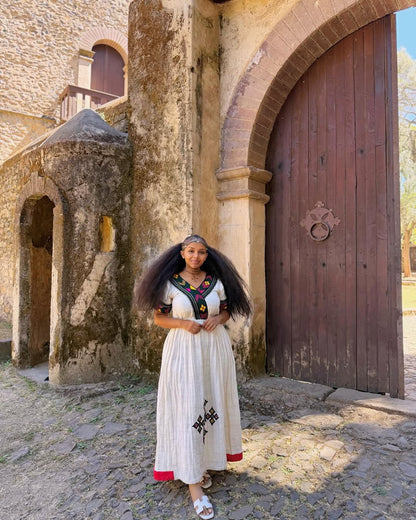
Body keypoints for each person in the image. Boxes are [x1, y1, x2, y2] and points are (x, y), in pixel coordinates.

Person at [135, 234, 251, 519]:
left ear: (206, 255)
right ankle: (192, 483)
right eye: (191, 251)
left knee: (211, 402)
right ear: (182, 253)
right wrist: (184, 323)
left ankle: (204, 461)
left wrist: (217, 320)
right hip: (183, 350)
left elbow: (225, 312)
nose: (196, 256)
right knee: (188, 406)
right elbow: (159, 318)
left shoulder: (216, 283)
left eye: (201, 252)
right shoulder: (170, 283)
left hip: (214, 349)